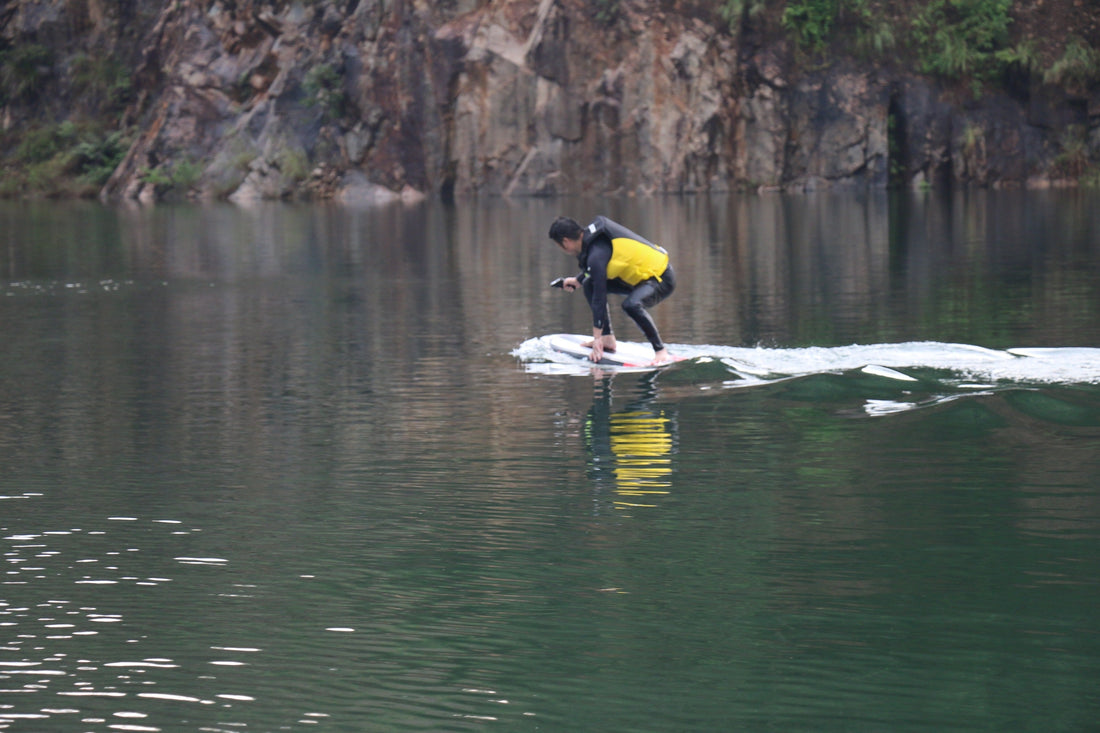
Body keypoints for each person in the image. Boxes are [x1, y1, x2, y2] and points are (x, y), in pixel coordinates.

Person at [548, 215, 676, 365]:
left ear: (566, 242)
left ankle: (661, 351)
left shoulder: (595, 254)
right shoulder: (594, 244)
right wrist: (578, 280)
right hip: (639, 281)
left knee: (631, 305)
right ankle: (608, 339)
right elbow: (597, 269)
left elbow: (599, 297)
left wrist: (596, 339)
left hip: (661, 279)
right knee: (589, 284)